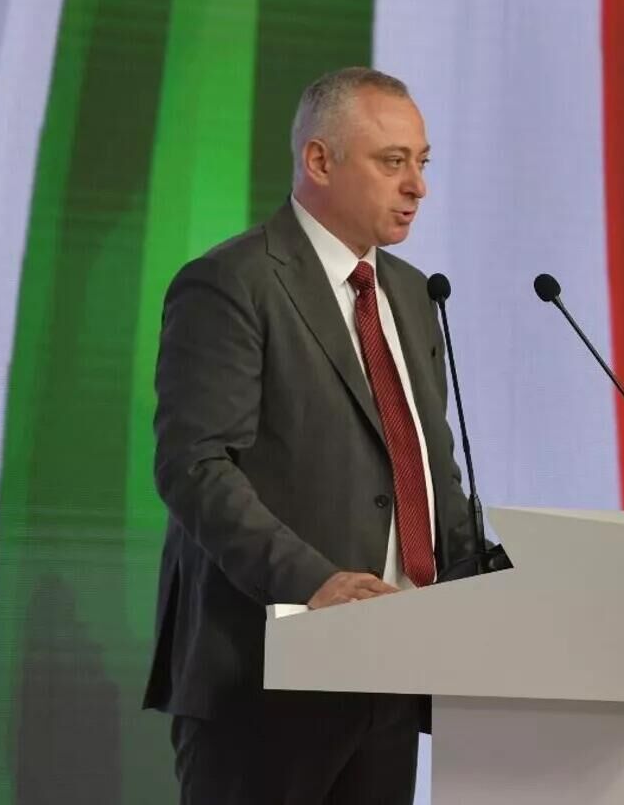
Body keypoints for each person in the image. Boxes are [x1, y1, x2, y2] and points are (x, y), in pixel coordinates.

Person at [142, 67, 478, 805]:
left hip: (390, 673)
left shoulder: (413, 295)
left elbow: (431, 475)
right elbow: (195, 466)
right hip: (265, 677)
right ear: (319, 160)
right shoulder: (232, 282)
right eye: (393, 161)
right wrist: (313, 583)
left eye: (422, 162)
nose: (417, 186)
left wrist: (494, 587)